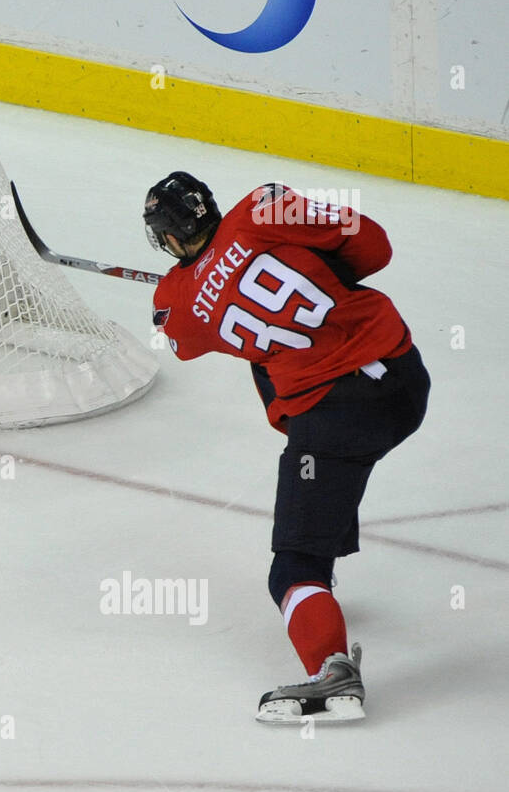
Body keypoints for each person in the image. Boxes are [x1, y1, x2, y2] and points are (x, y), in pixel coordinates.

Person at [142, 172, 429, 723]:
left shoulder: (177, 298)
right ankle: (327, 567)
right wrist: (315, 265)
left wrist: (187, 286)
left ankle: (333, 672)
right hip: (403, 377)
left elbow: (179, 343)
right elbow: (374, 245)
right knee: (328, 465)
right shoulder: (261, 210)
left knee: (292, 568)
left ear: (171, 239)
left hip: (336, 417)